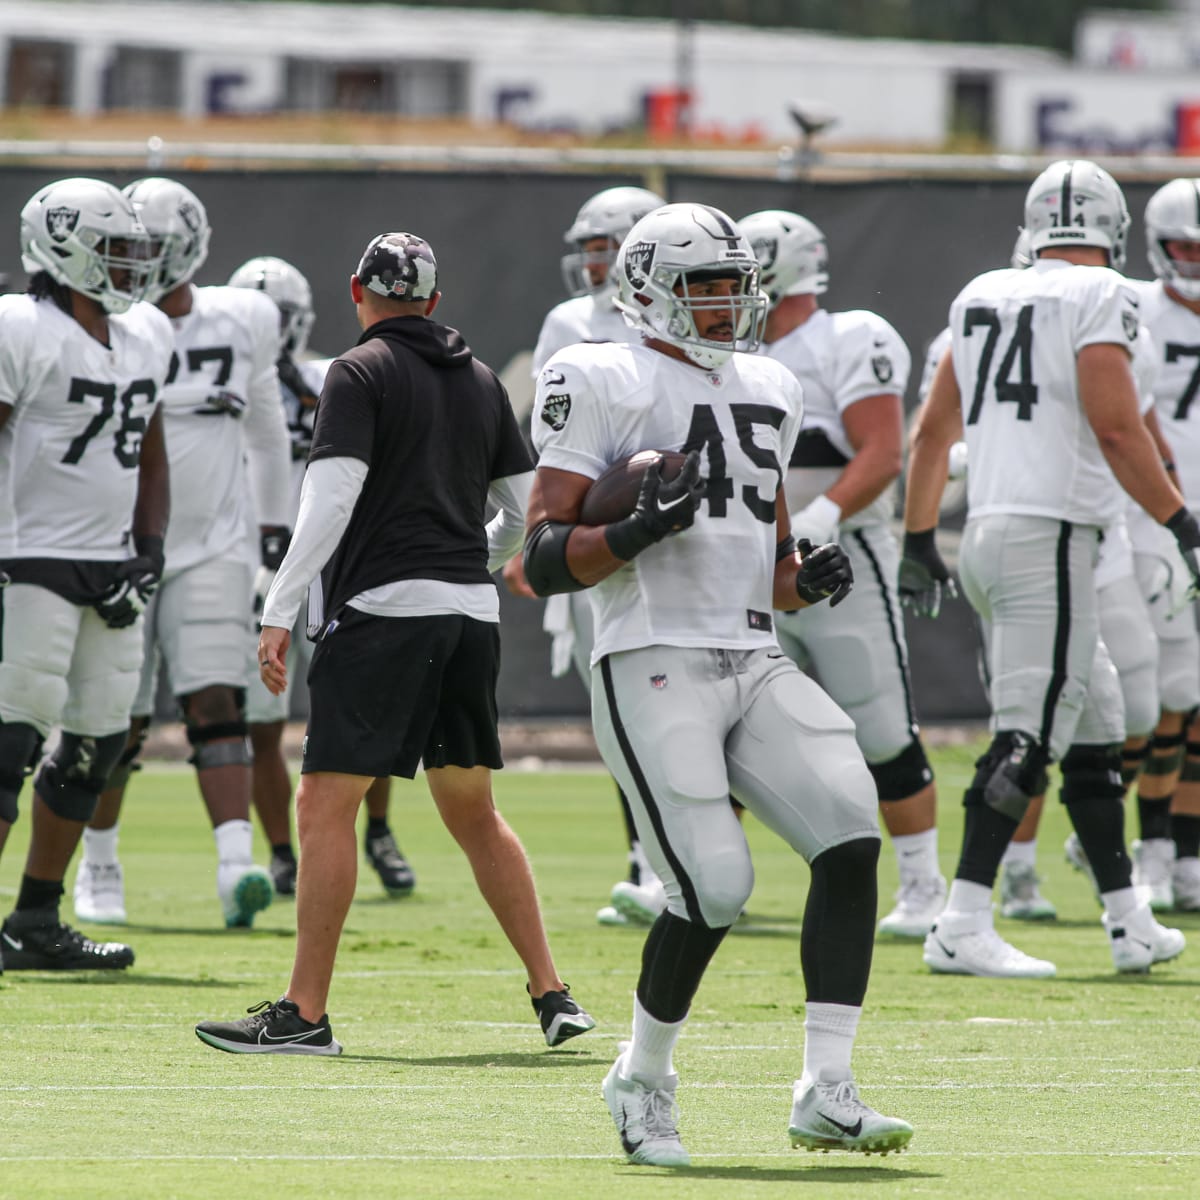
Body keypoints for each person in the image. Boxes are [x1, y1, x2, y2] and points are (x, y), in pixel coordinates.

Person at [525, 202, 912, 1163]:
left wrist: (804, 577)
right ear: (649, 285)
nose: (727, 301)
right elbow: (536, 556)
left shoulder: (771, 383)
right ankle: (642, 1077)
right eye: (704, 284)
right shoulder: (595, 370)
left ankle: (828, 1088)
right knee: (715, 883)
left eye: (736, 283)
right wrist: (631, 533)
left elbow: (771, 556)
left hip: (751, 651)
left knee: (852, 831)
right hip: (650, 651)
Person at [194, 231, 595, 1054]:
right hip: (469, 615)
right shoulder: (483, 380)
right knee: (474, 812)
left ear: (357, 292)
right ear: (435, 301)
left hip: (384, 613)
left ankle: (305, 1015)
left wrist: (280, 605)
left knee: (325, 805)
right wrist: (461, 562)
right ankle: (551, 992)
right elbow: (520, 516)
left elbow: (329, 500)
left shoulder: (356, 371)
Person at [902, 159, 1195, 978]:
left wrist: (919, 540)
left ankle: (1128, 917)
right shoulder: (1105, 296)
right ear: (1116, 231)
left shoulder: (979, 292)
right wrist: (1182, 522)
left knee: (1099, 727)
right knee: (1026, 739)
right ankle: (961, 920)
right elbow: (1116, 428)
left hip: (993, 536)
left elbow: (931, 434)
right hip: (1054, 538)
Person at [73, 178, 290, 929]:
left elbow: (267, 428)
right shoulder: (109, 324)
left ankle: (237, 866)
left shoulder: (244, 318)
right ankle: (98, 865)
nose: (137, 264)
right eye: (129, 250)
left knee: (216, 701)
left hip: (214, 545)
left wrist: (274, 529)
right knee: (116, 717)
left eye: (151, 251)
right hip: (121, 540)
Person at [740, 208, 945, 939]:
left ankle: (923, 885)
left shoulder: (848, 337)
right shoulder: (727, 350)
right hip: (745, 566)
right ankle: (692, 874)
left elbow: (883, 452)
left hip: (839, 560)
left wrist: (819, 520)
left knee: (881, 725)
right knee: (728, 723)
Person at [0, 177, 172, 969]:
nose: (131, 266)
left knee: (98, 744)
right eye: (115, 249)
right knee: (10, 742)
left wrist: (150, 545)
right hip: (28, 554)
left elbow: (149, 447)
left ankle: (35, 919)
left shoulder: (146, 336)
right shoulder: (18, 325)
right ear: (61, 246)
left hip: (113, 563)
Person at [505, 184, 668, 927]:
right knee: (612, 699)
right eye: (590, 248)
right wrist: (530, 535)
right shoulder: (568, 322)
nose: (593, 262)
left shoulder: (678, 314)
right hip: (588, 527)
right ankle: (648, 861)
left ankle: (674, 857)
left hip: (674, 528)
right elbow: (549, 444)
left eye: (606, 246)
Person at [227, 255, 414, 900]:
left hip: (335, 567)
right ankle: (282, 851)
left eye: (279, 317)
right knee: (261, 718)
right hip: (252, 564)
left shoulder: (330, 375)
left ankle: (380, 831)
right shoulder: (224, 383)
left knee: (365, 709)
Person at [1116, 177, 1200, 911]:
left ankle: (1181, 852)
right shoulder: (1130, 308)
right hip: (1152, 520)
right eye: (1186, 249)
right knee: (1162, 693)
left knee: (1192, 696)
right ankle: (1146, 846)